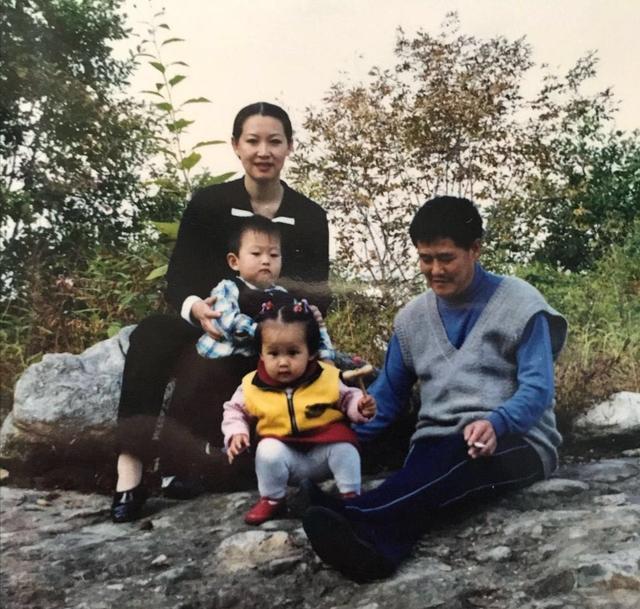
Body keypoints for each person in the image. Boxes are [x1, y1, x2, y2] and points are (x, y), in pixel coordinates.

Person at [302, 196, 568, 582]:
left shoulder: (522, 305)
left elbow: (538, 390)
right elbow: (387, 398)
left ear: (475, 249)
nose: (435, 270)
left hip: (513, 441)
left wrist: (497, 423)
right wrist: (335, 437)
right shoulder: (411, 319)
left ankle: (354, 514)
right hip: (434, 444)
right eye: (425, 259)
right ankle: (378, 553)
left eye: (446, 258)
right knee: (427, 480)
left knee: (452, 462)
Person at [111, 102, 330, 523]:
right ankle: (129, 470)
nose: (263, 151)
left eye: (274, 141)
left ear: (289, 147)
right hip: (210, 317)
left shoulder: (309, 216)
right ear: (236, 146)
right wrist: (197, 309)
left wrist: (279, 327)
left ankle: (200, 466)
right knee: (151, 334)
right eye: (253, 141)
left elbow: (317, 292)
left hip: (271, 330)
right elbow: (179, 281)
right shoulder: (210, 203)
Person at [222, 303, 376, 525]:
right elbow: (234, 411)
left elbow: (348, 398)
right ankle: (273, 498)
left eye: (293, 353)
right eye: (273, 353)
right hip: (286, 458)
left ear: (311, 352)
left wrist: (360, 407)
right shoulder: (251, 386)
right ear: (261, 353)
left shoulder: (327, 377)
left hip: (324, 453)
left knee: (345, 449)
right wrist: (237, 433)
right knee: (267, 451)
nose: (283, 362)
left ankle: (351, 496)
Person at [195, 214, 334, 362]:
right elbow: (226, 321)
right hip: (223, 359)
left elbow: (305, 329)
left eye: (274, 255)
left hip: (265, 363)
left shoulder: (284, 296)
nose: (266, 260)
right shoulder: (228, 287)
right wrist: (266, 332)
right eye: (256, 253)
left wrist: (325, 355)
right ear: (234, 262)